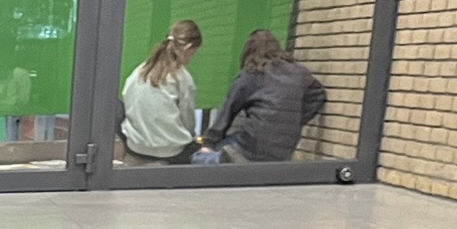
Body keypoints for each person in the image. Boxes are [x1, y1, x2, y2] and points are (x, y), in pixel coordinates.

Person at [201, 29, 326, 163]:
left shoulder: (252, 73)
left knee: (202, 157)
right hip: (285, 146)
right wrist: (295, 119)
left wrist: (209, 143)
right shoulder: (298, 71)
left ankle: (226, 158)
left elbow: (228, 109)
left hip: (253, 143)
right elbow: (318, 95)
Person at [120, 19, 202, 164]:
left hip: (135, 146)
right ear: (188, 48)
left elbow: (127, 99)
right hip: (169, 152)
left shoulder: (139, 71)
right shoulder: (182, 78)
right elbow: (188, 120)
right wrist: (192, 137)